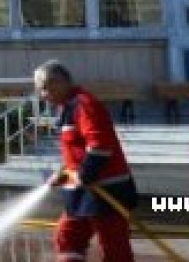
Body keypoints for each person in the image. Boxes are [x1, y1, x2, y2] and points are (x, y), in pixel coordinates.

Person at [34, 60, 138, 262]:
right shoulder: (67, 109)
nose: (43, 95)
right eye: (41, 89)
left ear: (59, 82)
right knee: (68, 237)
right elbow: (76, 153)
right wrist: (63, 174)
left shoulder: (84, 105)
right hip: (83, 191)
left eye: (45, 88)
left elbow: (99, 146)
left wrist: (83, 175)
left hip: (106, 191)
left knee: (114, 247)